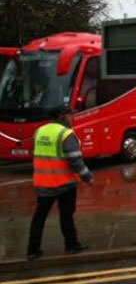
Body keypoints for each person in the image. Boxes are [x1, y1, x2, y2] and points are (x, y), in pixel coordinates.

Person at [27, 107, 93, 260]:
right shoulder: (65, 134)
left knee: (39, 217)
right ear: (62, 116)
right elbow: (75, 160)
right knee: (66, 215)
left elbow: (34, 153)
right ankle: (71, 245)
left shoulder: (39, 132)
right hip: (64, 183)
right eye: (70, 115)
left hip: (42, 183)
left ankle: (32, 249)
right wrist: (87, 177)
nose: (72, 118)